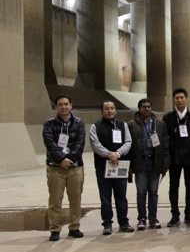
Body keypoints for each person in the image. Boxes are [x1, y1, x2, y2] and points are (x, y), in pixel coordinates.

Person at [43, 94, 85, 241]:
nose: (64, 107)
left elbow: (80, 143)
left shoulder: (79, 123)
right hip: (55, 167)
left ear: (71, 105)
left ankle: (74, 227)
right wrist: (61, 159)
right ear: (56, 107)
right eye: (60, 104)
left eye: (66, 104)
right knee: (55, 200)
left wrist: (70, 159)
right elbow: (50, 144)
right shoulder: (49, 124)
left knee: (75, 199)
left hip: (75, 167)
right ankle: (55, 229)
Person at [89, 101, 134, 235]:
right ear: (102, 111)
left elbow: (128, 141)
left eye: (112, 108)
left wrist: (118, 153)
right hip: (103, 167)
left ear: (115, 110)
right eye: (107, 109)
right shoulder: (95, 126)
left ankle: (124, 222)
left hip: (119, 166)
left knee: (121, 196)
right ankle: (107, 224)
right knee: (105, 197)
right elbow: (94, 144)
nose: (110, 111)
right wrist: (109, 154)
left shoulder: (122, 125)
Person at [128, 98, 170, 230]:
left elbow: (165, 145)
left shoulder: (160, 124)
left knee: (153, 192)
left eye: (148, 107)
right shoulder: (131, 125)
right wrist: (129, 166)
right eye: (144, 107)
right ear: (139, 109)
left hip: (155, 163)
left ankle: (153, 218)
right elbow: (128, 146)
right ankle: (141, 218)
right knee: (141, 193)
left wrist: (165, 164)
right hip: (140, 163)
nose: (146, 109)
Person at [162, 88, 190, 227]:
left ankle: (189, 214)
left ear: (186, 99)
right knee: (174, 187)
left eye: (182, 97)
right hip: (174, 158)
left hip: (189, 157)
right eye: (177, 98)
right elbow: (165, 139)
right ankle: (175, 215)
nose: (179, 100)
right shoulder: (168, 117)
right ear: (174, 100)